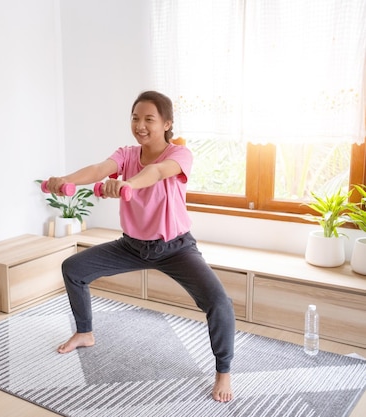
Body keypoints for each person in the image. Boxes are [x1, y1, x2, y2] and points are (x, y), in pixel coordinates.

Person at [45, 90, 235, 403]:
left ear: (167, 123)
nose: (140, 125)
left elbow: (157, 172)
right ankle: (85, 332)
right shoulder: (126, 154)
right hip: (132, 245)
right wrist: (63, 179)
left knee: (219, 303)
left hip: (176, 248)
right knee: (73, 268)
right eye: (135, 118)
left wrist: (127, 184)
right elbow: (98, 170)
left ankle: (223, 371)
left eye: (149, 119)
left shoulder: (179, 155)